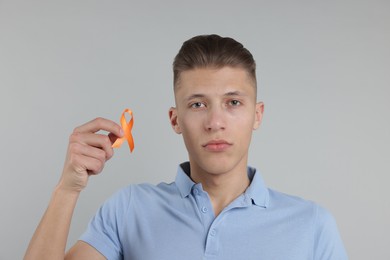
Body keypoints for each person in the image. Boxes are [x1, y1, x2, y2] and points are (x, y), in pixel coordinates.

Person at [24, 34, 348, 260]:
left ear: (257, 115)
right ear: (175, 119)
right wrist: (67, 190)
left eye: (233, 102)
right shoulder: (129, 210)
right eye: (197, 105)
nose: (215, 122)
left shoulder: (312, 225)